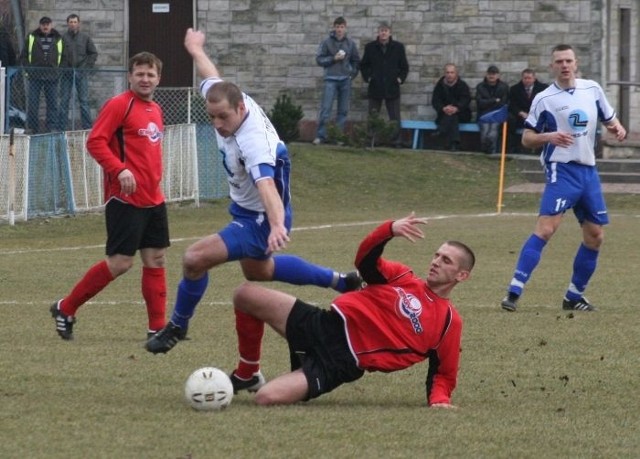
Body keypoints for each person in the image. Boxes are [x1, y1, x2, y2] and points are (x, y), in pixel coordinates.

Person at [145, 29, 361, 355]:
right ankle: (340, 282)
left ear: (241, 109)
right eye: (212, 116)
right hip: (249, 211)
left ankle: (177, 325)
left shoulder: (253, 142)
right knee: (258, 270)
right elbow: (211, 77)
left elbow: (267, 186)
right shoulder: (227, 98)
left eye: (224, 117)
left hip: (261, 216)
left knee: (194, 259)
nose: (217, 123)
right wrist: (194, 48)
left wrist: (275, 226)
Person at [226, 213, 475, 407]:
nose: (435, 262)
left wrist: (440, 401)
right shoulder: (402, 276)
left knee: (266, 398)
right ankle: (248, 372)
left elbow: (444, 372)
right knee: (245, 294)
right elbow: (364, 262)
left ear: (462, 275)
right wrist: (388, 230)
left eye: (446, 260)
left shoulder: (449, 322)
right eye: (436, 255)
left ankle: (290, 377)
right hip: (324, 323)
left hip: (339, 361)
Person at [50, 52, 170, 340]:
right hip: (125, 199)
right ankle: (65, 308)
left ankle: (157, 328)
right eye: (139, 74)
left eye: (150, 74)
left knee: (156, 260)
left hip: (154, 199)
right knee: (121, 263)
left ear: (158, 79)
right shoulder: (119, 105)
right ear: (129, 77)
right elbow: (95, 141)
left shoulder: (155, 109)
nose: (145, 79)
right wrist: (120, 170)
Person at [501, 44, 627, 313]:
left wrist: (617, 127)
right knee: (546, 229)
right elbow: (527, 138)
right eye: (559, 61)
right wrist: (549, 136)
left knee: (595, 236)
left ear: (576, 63)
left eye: (569, 60)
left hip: (588, 172)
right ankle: (514, 291)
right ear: (552, 66)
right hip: (562, 169)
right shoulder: (544, 99)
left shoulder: (592, 89)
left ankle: (574, 295)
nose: (565, 65)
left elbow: (609, 118)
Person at [359, 21, 409, 148]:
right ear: (378, 32)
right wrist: (368, 78)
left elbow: (404, 67)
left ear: (390, 32)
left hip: (392, 86)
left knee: (394, 116)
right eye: (381, 30)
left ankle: (396, 141)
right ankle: (372, 139)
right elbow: (364, 65)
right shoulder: (370, 47)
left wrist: (400, 79)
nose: (383, 33)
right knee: (373, 115)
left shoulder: (398, 47)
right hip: (375, 86)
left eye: (386, 30)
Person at [312, 17, 360, 145]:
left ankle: (338, 137)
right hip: (330, 79)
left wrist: (352, 75)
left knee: (343, 110)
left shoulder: (350, 43)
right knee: (326, 109)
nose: (339, 29)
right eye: (337, 27)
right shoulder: (326, 42)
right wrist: (333, 58)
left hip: (345, 80)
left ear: (345, 28)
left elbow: (356, 61)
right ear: (334, 27)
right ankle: (320, 136)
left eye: (342, 27)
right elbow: (319, 60)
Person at [21, 16, 65, 133]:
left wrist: (58, 71)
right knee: (33, 103)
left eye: (47, 24)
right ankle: (32, 128)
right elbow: (24, 56)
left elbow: (64, 57)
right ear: (40, 25)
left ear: (51, 25)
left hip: (52, 76)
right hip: (35, 76)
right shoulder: (32, 37)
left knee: (52, 104)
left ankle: (51, 128)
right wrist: (29, 70)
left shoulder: (59, 38)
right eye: (43, 24)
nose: (45, 26)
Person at [59, 13, 98, 130]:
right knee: (64, 101)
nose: (73, 24)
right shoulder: (62, 38)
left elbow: (93, 53)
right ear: (67, 24)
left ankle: (87, 127)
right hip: (66, 74)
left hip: (81, 74)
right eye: (71, 22)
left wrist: (86, 67)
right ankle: (62, 127)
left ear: (78, 24)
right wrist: (62, 67)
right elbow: (58, 55)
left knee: (84, 102)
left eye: (75, 22)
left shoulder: (85, 38)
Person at [431, 63, 472, 152]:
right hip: (444, 113)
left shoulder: (462, 85)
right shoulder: (439, 86)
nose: (449, 75)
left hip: (462, 113)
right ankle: (454, 143)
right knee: (452, 117)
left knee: (454, 115)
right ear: (444, 73)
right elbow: (435, 101)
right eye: (447, 72)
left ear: (456, 73)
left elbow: (466, 100)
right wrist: (443, 108)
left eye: (452, 72)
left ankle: (441, 130)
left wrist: (456, 108)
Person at [507, 69, 547, 153]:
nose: (527, 80)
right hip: (520, 117)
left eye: (529, 78)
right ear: (522, 78)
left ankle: (541, 148)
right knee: (510, 120)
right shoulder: (514, 89)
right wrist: (520, 113)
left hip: (537, 115)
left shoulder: (543, 88)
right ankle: (512, 148)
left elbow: (546, 103)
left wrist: (533, 114)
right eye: (525, 78)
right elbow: (512, 105)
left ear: (534, 78)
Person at [475, 65, 509, 154]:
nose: (491, 76)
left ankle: (492, 152)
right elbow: (480, 103)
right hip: (484, 114)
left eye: (494, 74)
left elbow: (503, 103)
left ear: (498, 76)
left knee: (493, 131)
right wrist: (494, 100)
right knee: (485, 131)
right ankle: (485, 151)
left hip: (497, 114)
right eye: (490, 74)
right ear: (486, 75)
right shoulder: (480, 87)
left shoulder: (504, 87)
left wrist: (488, 102)